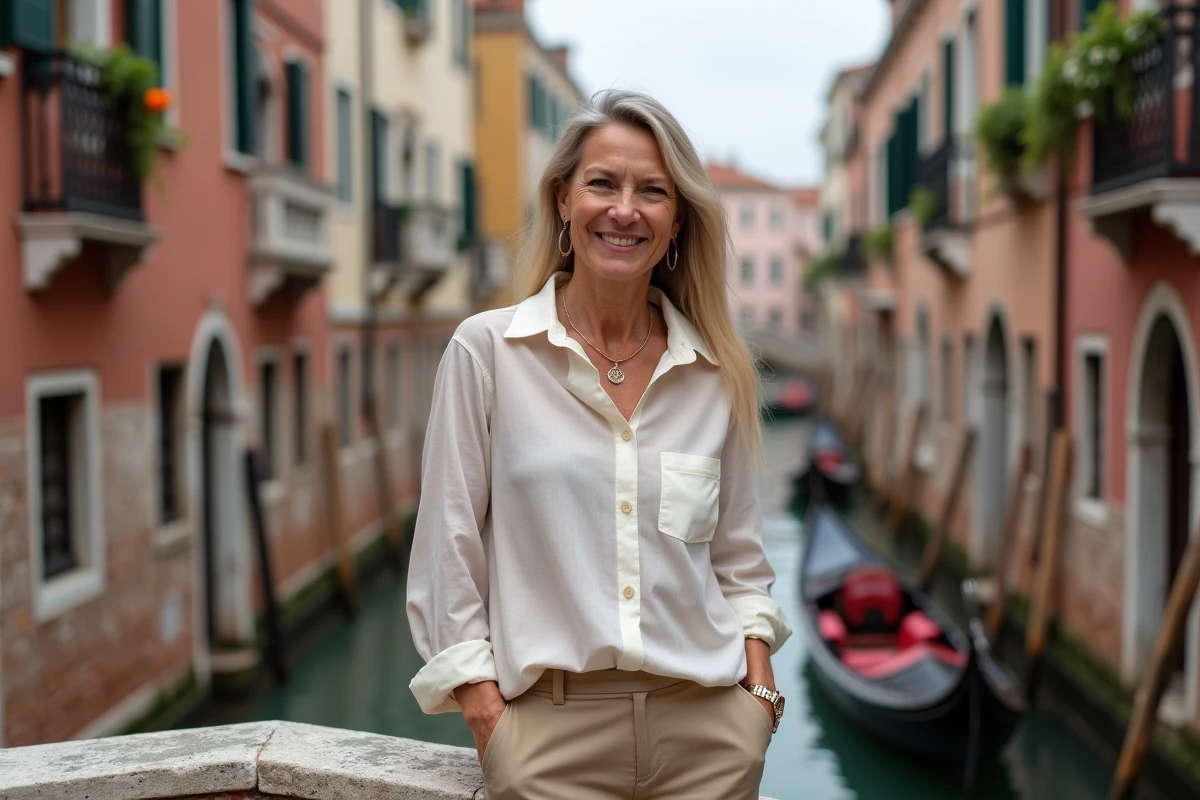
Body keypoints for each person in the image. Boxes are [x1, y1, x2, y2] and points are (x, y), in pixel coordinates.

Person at [406, 89, 792, 800]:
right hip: (547, 743)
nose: (625, 210)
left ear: (678, 220)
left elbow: (739, 560)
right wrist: (487, 714)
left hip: (711, 736)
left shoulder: (716, 372)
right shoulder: (486, 352)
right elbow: (447, 550)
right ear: (563, 200)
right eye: (602, 184)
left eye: (653, 191)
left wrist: (758, 699)